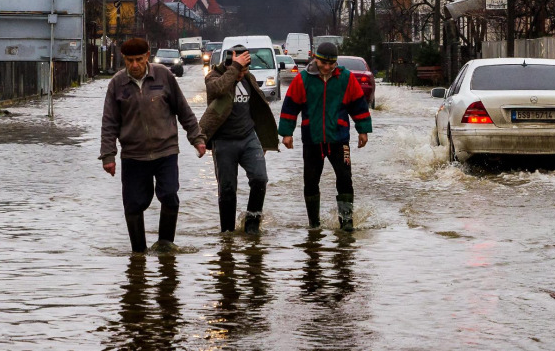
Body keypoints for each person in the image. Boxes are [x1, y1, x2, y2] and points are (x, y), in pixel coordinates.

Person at [100, 37, 207, 253]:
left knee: (169, 196)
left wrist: (197, 138)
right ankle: (138, 254)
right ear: (124, 59)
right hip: (133, 155)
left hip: (165, 151)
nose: (135, 65)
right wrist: (108, 156)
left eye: (139, 59)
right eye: (130, 60)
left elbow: (183, 110)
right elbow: (109, 123)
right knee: (133, 204)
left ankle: (165, 247)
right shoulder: (117, 84)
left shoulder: (164, 76)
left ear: (148, 56)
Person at [277, 42, 372, 231]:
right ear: (315, 58)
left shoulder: (346, 78)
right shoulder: (302, 79)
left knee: (345, 180)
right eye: (323, 63)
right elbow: (290, 106)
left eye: (331, 64)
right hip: (312, 139)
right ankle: (314, 224)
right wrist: (287, 133)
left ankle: (346, 223)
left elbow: (358, 105)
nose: (327, 67)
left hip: (339, 139)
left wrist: (363, 130)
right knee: (311, 182)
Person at [200, 45, 279, 235]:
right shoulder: (214, 77)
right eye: (239, 69)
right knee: (227, 189)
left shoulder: (248, 78)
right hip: (224, 141)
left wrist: (264, 140)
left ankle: (252, 226)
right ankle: (226, 233)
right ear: (229, 64)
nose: (242, 74)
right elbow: (217, 90)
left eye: (245, 70)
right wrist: (234, 68)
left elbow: (259, 109)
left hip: (248, 138)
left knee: (260, 179)